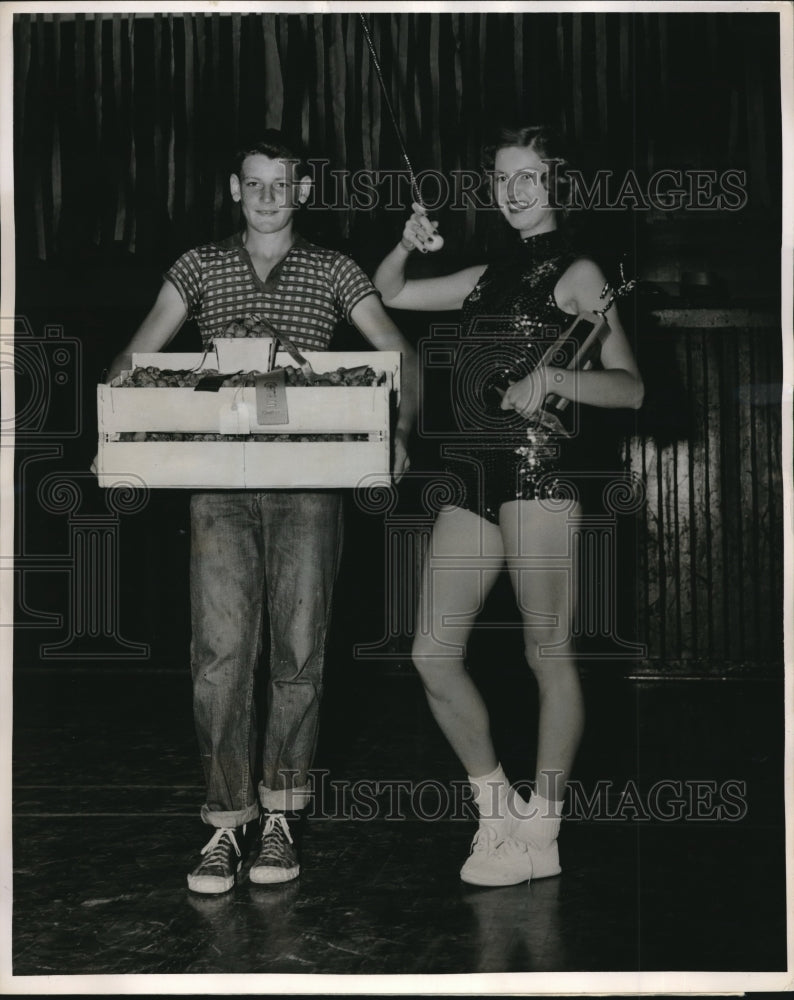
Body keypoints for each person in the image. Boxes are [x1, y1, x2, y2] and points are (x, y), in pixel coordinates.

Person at [102, 131, 417, 894]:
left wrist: (400, 432)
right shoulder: (199, 265)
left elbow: (398, 353)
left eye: (284, 184)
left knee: (300, 652)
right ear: (234, 190)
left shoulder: (335, 270)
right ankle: (223, 824)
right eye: (256, 183)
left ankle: (279, 819)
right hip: (218, 484)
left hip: (310, 480)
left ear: (303, 192)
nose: (269, 196)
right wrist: (110, 432)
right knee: (218, 655)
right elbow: (137, 355)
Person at [373, 125, 643, 887]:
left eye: (528, 177)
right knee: (431, 651)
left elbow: (631, 386)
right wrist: (405, 242)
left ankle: (544, 830)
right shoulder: (488, 273)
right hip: (474, 475)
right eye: (501, 178)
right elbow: (388, 291)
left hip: (541, 474)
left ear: (557, 183)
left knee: (545, 655)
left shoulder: (582, 271)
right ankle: (496, 812)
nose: (512, 191)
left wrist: (554, 383)